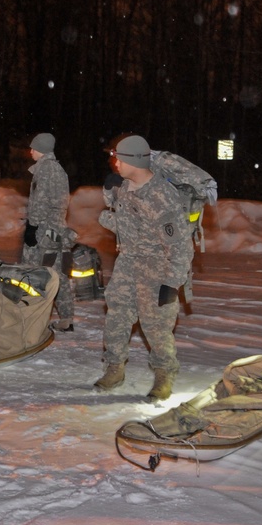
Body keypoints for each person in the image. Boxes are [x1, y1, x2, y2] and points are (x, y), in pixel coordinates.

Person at [93, 135, 194, 400]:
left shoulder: (161, 196)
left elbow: (181, 246)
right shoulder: (126, 187)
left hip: (156, 267)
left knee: (157, 325)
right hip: (127, 263)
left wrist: (172, 283)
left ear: (132, 161)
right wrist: (108, 199)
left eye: (118, 158)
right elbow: (127, 224)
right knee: (117, 315)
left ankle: (164, 375)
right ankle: (114, 368)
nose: (114, 163)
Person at [21, 132, 75, 331]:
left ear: (40, 150)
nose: (31, 151)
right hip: (55, 230)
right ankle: (66, 318)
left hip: (43, 232)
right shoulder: (57, 169)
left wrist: (32, 226)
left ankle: (33, 316)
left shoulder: (45, 170)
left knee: (35, 273)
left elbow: (40, 201)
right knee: (57, 274)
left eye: (33, 148)